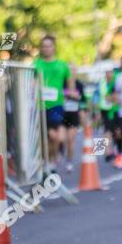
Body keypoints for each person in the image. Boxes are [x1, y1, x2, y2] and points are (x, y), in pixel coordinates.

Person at [34, 36, 71, 173]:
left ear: (54, 47)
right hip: (40, 105)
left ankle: (52, 159)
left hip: (57, 105)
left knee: (57, 136)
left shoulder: (62, 65)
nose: (46, 48)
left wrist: (72, 95)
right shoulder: (36, 64)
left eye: (49, 46)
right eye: (44, 46)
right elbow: (30, 83)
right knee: (47, 137)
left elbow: (70, 86)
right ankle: (48, 161)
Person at [62, 64, 84, 172]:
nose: (71, 72)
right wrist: (69, 94)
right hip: (62, 113)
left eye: (73, 70)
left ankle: (69, 161)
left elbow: (82, 99)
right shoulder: (62, 82)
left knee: (70, 139)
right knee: (62, 139)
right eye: (70, 70)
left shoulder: (79, 84)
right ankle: (60, 152)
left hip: (74, 114)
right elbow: (59, 95)